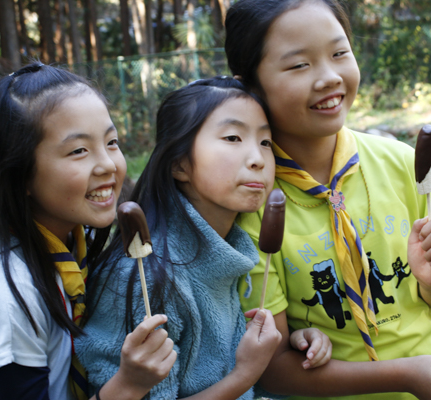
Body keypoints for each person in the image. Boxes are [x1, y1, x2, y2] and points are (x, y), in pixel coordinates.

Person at [224, 1, 431, 399]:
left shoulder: (401, 162)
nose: (329, 77)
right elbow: (272, 370)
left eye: (339, 52)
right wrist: (405, 376)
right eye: (299, 65)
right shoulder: (253, 204)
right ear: (249, 85)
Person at [0, 63, 175, 400]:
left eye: (111, 142)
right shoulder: (6, 295)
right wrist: (128, 385)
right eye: (78, 150)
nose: (108, 165)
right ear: (19, 173)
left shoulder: (69, 244)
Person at [76, 76, 332, 400]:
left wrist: (295, 338)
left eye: (265, 142)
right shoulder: (146, 279)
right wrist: (247, 373)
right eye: (233, 137)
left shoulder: (225, 250)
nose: (257, 158)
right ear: (179, 164)